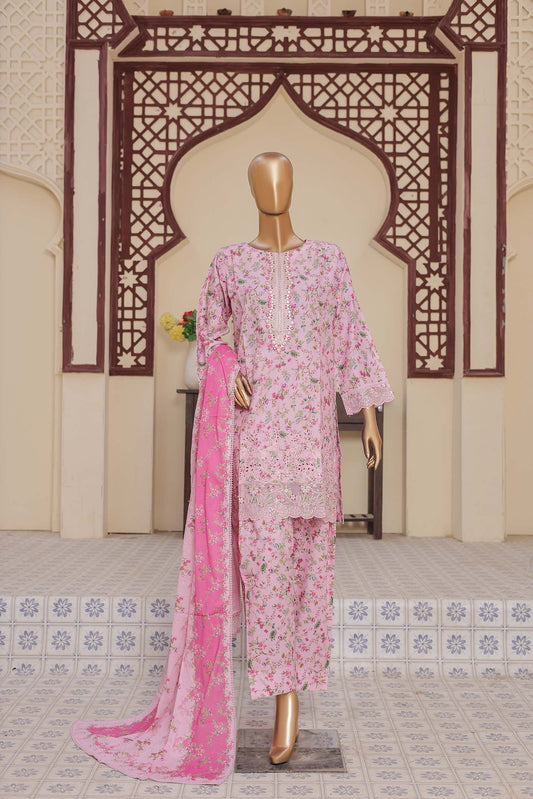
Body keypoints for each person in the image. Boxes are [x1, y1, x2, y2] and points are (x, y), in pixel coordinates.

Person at [196, 151, 395, 764]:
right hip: (257, 443)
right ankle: (278, 694)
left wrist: (366, 415)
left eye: (281, 176)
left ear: (293, 185)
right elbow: (210, 334)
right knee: (266, 572)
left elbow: (352, 333)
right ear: (251, 187)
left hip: (312, 441)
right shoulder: (228, 263)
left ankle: (294, 700)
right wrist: (225, 367)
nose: (273, 187)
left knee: (311, 572)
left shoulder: (329, 261)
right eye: (262, 177)